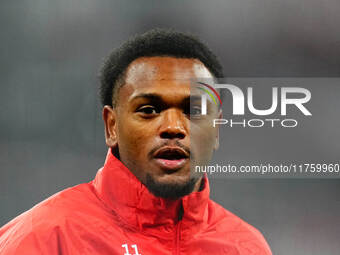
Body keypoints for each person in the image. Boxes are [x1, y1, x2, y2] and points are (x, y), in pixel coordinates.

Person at [0, 29, 272, 255]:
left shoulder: (247, 246)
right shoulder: (43, 239)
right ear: (112, 126)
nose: (173, 128)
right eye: (149, 110)